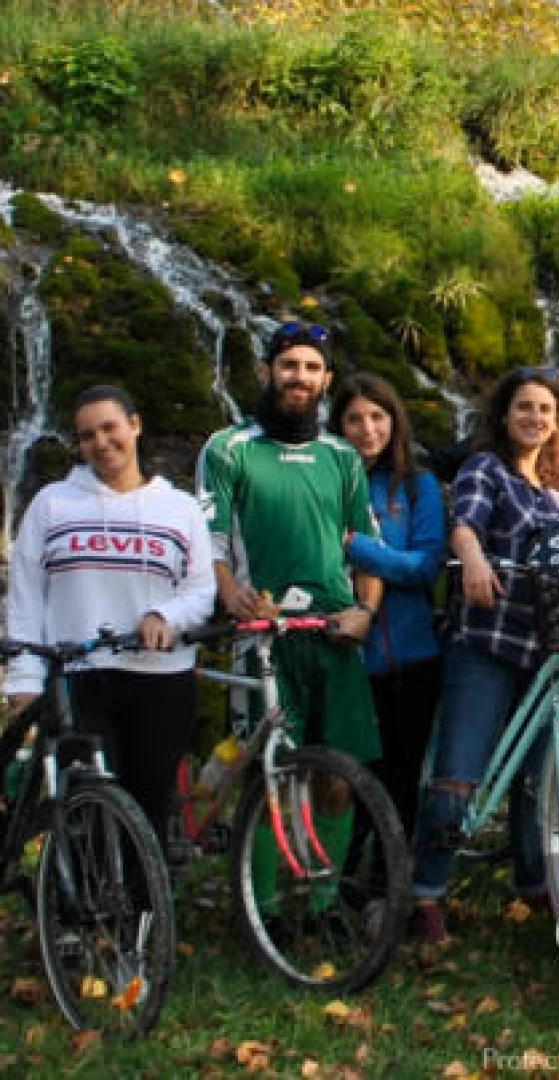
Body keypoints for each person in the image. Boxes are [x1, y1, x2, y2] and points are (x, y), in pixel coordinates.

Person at [410, 368, 559, 943]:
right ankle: (426, 892)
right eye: (525, 408)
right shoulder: (485, 470)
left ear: (558, 422)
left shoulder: (558, 494)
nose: (535, 418)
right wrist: (474, 558)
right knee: (457, 776)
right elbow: (464, 525)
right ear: (504, 417)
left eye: (545, 410)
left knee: (537, 779)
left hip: (542, 648)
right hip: (486, 642)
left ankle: (533, 883)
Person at [5, 385, 217, 838]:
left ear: (135, 426)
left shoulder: (181, 509)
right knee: (87, 808)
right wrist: (24, 679)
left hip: (161, 680)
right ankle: (79, 907)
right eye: (86, 436)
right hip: (79, 679)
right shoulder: (52, 504)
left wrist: (165, 616)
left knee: (149, 809)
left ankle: (145, 910)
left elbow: (201, 591)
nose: (100, 443)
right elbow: (25, 595)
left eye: (109, 428)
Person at [198, 321, 383, 760]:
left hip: (335, 634)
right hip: (264, 637)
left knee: (341, 779)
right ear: (266, 371)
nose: (300, 376)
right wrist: (230, 594)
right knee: (268, 773)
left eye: (311, 367)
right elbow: (210, 539)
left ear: (326, 380)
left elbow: (368, 552)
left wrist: (366, 613)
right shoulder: (227, 448)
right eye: (289, 365)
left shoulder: (342, 456)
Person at [333, 373, 446, 840]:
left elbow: (425, 566)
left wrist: (357, 546)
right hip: (343, 656)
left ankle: (391, 891)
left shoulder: (418, 486)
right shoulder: (325, 482)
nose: (367, 429)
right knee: (348, 782)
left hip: (412, 657)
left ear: (394, 421)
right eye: (354, 419)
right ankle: (344, 895)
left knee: (402, 783)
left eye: (377, 417)